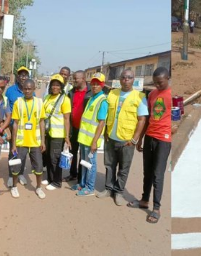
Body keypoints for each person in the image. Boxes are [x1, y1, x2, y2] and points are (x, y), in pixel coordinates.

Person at [97, 70, 148, 206]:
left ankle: (118, 192)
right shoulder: (112, 94)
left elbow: (142, 120)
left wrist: (134, 139)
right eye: (124, 77)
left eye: (129, 78)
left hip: (127, 141)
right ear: (120, 79)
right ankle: (108, 189)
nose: (126, 80)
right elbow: (106, 113)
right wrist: (106, 132)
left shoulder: (139, 97)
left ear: (133, 80)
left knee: (124, 168)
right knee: (109, 165)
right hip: (110, 138)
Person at [127, 68, 172, 224]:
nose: (158, 85)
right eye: (155, 83)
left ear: (168, 78)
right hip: (150, 137)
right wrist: (140, 139)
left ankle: (157, 208)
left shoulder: (172, 95)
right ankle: (144, 200)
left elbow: (177, 115)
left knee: (157, 175)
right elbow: (146, 118)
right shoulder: (152, 95)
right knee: (147, 171)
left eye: (160, 82)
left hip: (164, 140)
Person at [10, 80, 46, 199]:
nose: (27, 91)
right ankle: (14, 187)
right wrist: (14, 144)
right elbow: (15, 124)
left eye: (29, 88)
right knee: (16, 166)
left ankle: (39, 187)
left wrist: (43, 141)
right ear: (22, 89)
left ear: (34, 89)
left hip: (35, 142)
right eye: (25, 88)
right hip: (21, 142)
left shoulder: (39, 103)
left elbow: (41, 123)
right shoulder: (18, 103)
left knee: (38, 166)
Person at [74, 72, 108, 196]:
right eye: (93, 84)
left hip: (91, 140)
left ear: (102, 85)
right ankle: (82, 184)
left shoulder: (102, 101)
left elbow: (101, 122)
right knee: (84, 162)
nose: (94, 86)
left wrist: (94, 142)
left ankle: (90, 187)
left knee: (91, 164)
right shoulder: (92, 98)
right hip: (84, 138)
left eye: (97, 84)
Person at [42, 74, 72, 190]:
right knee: (48, 157)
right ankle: (50, 178)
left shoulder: (65, 99)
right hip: (48, 133)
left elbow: (66, 119)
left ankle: (56, 181)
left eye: (57, 85)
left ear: (61, 87)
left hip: (58, 135)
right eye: (53, 84)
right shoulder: (47, 97)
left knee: (55, 158)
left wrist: (67, 137)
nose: (55, 87)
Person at [63, 71, 92, 183]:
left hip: (85, 130)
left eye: (76, 79)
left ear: (84, 78)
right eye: (74, 78)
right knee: (73, 152)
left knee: (84, 154)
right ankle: (73, 174)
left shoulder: (91, 92)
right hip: (73, 128)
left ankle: (82, 177)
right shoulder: (71, 93)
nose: (74, 81)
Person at [5, 66, 31, 187]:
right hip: (12, 127)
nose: (23, 77)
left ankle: (20, 173)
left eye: (25, 75)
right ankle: (11, 175)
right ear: (17, 76)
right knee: (13, 151)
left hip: (25, 128)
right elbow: (5, 109)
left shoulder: (31, 91)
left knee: (23, 152)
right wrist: (6, 128)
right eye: (21, 75)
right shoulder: (10, 91)